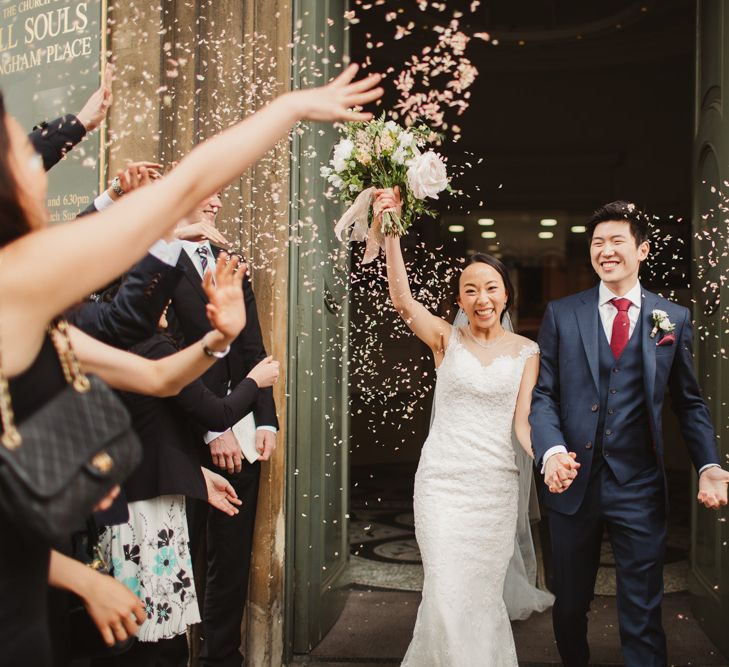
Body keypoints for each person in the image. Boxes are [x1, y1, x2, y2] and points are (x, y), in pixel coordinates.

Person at [0, 63, 384, 667]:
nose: (39, 150)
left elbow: (146, 367)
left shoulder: (41, 313)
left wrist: (219, 341)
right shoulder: (14, 286)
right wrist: (289, 108)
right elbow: (180, 198)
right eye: (21, 143)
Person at [529, 201, 729, 667]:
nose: (606, 250)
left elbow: (689, 402)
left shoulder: (671, 318)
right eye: (598, 242)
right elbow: (543, 394)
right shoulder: (562, 313)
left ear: (642, 250)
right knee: (571, 604)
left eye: (617, 241)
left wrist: (711, 464)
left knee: (642, 608)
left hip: (638, 483)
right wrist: (552, 450)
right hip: (572, 482)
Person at [378, 187, 539, 665]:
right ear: (460, 299)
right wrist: (391, 229)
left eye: (490, 287)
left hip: (494, 490)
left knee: (481, 601)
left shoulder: (528, 352)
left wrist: (551, 457)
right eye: (470, 289)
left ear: (506, 293)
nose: (481, 297)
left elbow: (524, 424)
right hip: (442, 486)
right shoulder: (445, 339)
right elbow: (402, 299)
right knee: (445, 595)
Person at [92, 309, 278, 667]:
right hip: (149, 512)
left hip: (125, 500)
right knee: (155, 637)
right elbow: (216, 414)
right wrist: (256, 380)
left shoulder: (110, 342)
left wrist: (197, 475)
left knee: (128, 629)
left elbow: (150, 430)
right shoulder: (156, 348)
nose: (166, 305)